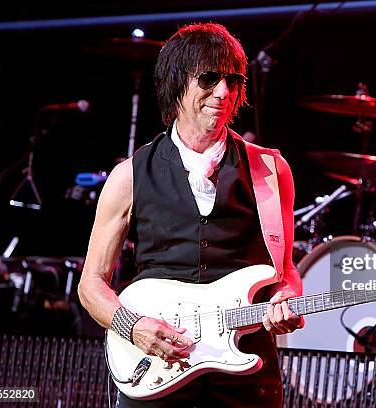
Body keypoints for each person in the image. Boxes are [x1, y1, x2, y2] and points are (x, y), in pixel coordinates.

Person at [78, 22, 303, 407]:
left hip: (246, 368)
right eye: (209, 79)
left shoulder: (271, 169)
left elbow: (286, 270)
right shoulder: (130, 175)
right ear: (177, 83)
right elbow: (91, 285)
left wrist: (288, 296)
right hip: (156, 363)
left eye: (233, 81)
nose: (223, 92)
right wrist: (134, 328)